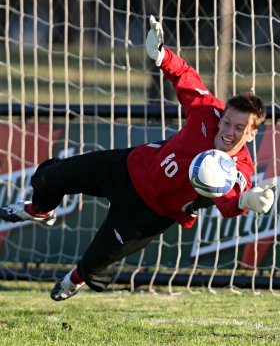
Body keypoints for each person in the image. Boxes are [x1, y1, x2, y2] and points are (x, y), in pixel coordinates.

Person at [0, 16, 276, 301]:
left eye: (240, 128)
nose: (229, 131)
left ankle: (76, 278)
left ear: (252, 134)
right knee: (48, 177)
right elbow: (186, 78)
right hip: (129, 166)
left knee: (95, 261)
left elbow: (229, 203)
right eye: (228, 122)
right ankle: (40, 211)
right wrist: (161, 55)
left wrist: (246, 201)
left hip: (149, 214)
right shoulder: (209, 112)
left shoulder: (239, 169)